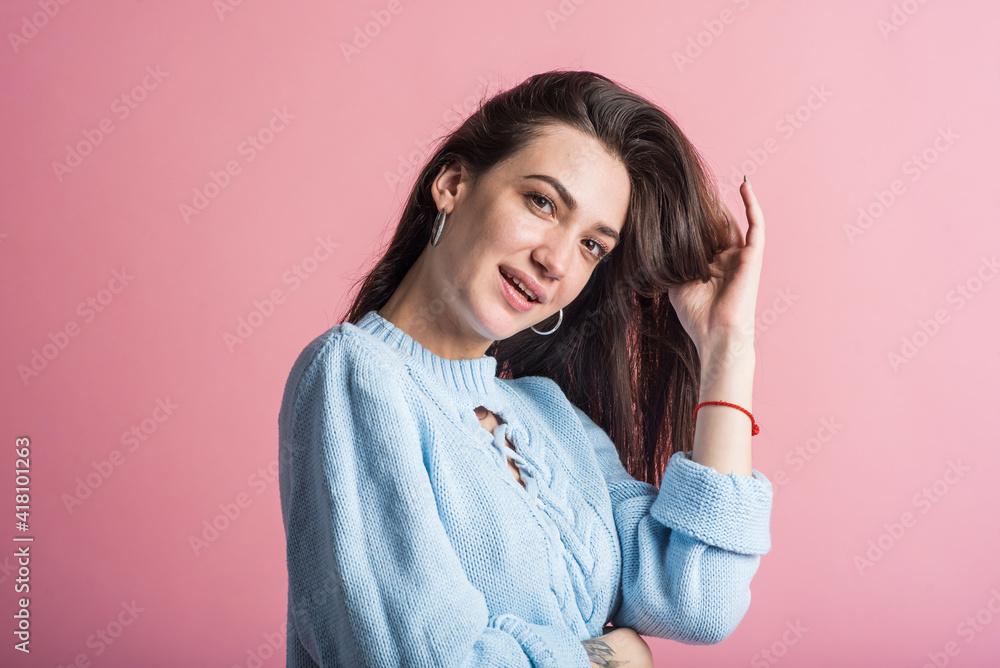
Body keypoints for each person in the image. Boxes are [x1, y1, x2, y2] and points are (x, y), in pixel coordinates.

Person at [278, 69, 773, 667]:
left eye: (593, 244)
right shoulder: (356, 374)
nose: (557, 260)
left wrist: (726, 345)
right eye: (542, 202)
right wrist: (613, 659)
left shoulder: (549, 414)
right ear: (453, 184)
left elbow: (700, 600)